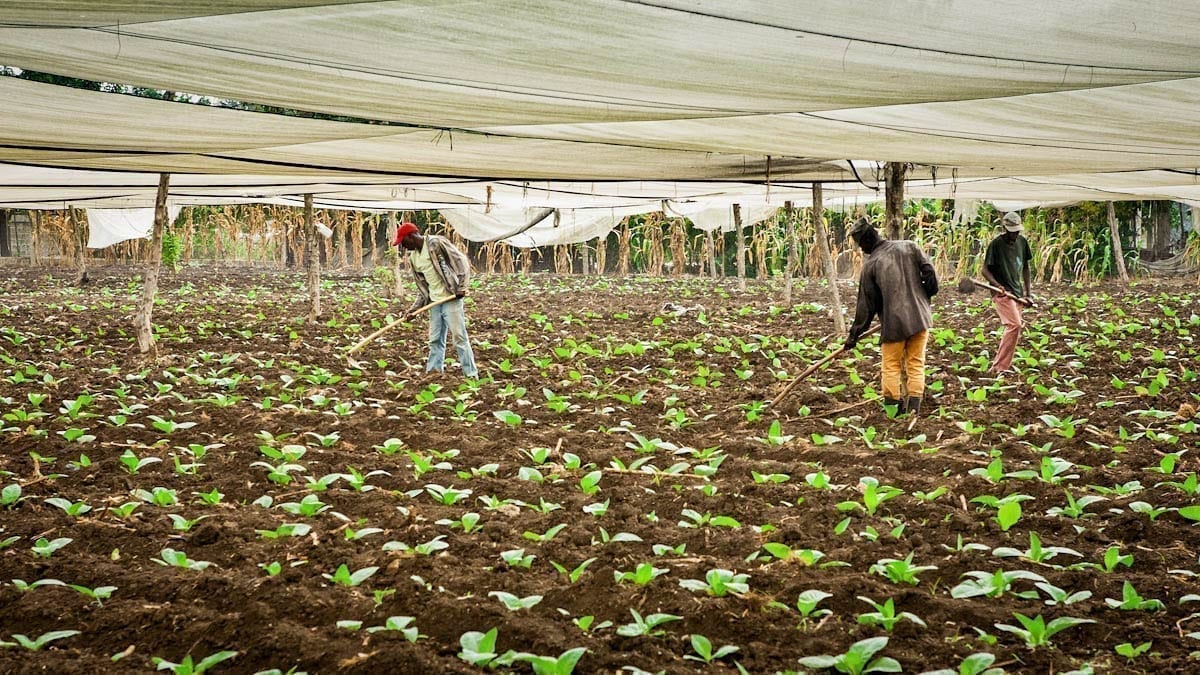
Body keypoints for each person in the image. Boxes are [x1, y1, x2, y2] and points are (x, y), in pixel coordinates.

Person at [844, 217, 938, 415]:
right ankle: (914, 409)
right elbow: (930, 273)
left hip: (894, 325)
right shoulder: (909, 246)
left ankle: (892, 411)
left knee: (891, 366)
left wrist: (854, 335)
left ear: (867, 241)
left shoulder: (872, 265)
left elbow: (866, 307)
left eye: (861, 245)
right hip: (921, 319)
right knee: (916, 363)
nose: (862, 250)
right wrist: (924, 297)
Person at [393, 222, 479, 378]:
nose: (403, 246)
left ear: (411, 236)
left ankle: (471, 375)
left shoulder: (435, 244)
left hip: (451, 298)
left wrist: (462, 286)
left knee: (459, 338)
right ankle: (434, 373)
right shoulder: (414, 258)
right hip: (434, 302)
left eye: (403, 242)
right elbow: (423, 287)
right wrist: (414, 309)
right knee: (435, 339)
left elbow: (461, 262)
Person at [981, 211, 1034, 374]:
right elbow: (985, 270)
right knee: (1014, 325)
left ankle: (1001, 367)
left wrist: (1028, 294)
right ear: (1004, 228)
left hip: (1017, 292)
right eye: (1011, 232)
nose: (1014, 235)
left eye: (1017, 231)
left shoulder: (1022, 242)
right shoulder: (996, 245)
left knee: (1014, 328)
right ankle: (999, 367)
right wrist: (997, 285)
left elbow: (1026, 268)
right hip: (1002, 293)